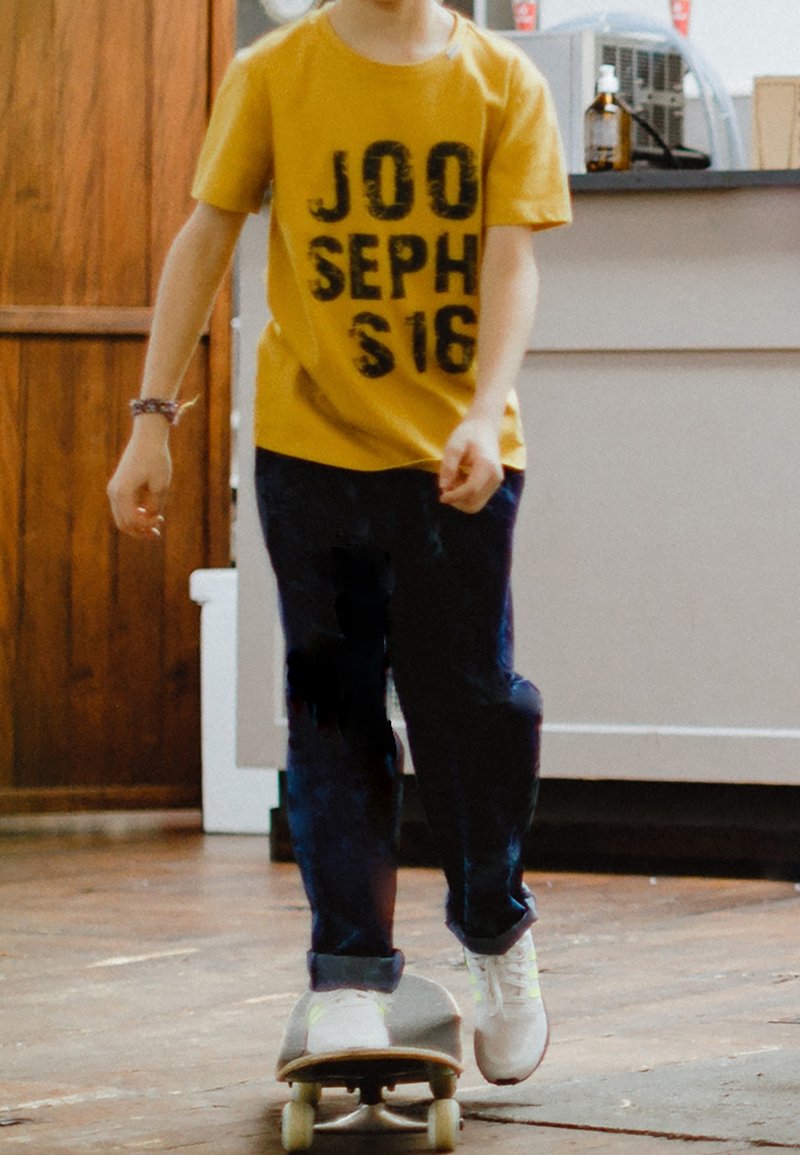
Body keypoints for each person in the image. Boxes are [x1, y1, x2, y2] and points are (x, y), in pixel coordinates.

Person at [107, 0, 571, 1085]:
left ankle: (496, 933)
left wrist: (480, 409)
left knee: (471, 705)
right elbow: (206, 235)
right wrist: (150, 420)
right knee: (333, 709)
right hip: (310, 454)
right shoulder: (275, 74)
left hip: (461, 461)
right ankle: (349, 977)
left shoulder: (505, 84)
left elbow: (512, 263)